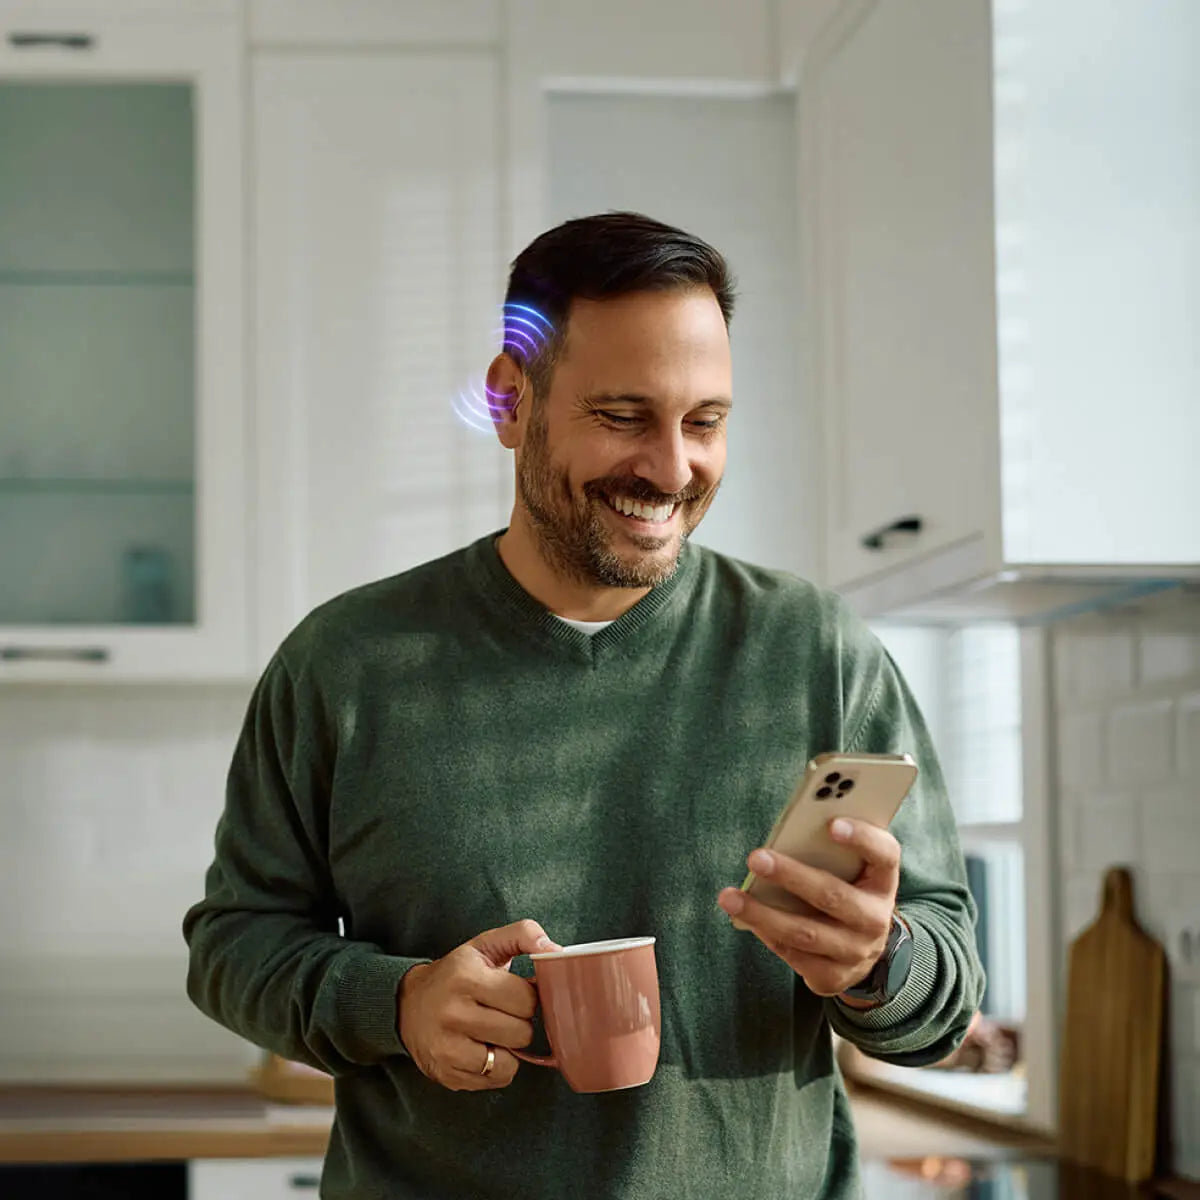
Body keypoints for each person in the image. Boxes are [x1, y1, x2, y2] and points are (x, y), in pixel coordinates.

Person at [184, 211, 984, 1199]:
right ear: (509, 400)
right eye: (621, 416)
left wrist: (875, 960)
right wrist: (396, 1004)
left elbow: (942, 989)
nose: (672, 468)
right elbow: (233, 945)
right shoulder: (347, 665)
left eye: (705, 422)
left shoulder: (818, 654)